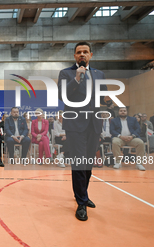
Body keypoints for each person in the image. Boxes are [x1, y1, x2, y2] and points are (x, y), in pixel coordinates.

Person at [58, 41, 110, 221]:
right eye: (79, 52)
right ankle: (81, 202)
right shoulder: (66, 73)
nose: (82, 55)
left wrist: (108, 101)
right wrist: (78, 78)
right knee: (79, 163)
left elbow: (102, 98)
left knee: (88, 164)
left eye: (85, 52)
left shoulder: (99, 74)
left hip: (94, 124)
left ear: (91, 55)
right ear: (74, 56)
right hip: (75, 125)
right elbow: (62, 95)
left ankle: (82, 194)